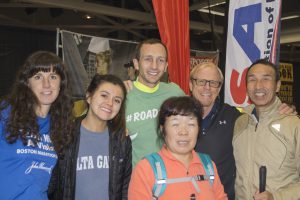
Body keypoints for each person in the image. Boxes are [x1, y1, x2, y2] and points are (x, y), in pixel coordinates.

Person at [189, 62, 297, 200]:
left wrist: (277, 197)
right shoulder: (243, 120)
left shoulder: (234, 117)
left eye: (213, 82)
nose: (207, 87)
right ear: (191, 84)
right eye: (201, 81)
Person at [0, 51, 73, 200]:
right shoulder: (6, 114)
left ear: (61, 84)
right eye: (38, 77)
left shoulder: (60, 126)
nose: (46, 84)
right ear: (27, 83)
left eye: (53, 77)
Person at [50, 74, 132, 200]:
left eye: (117, 100)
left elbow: (124, 189)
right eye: (104, 95)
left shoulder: (122, 140)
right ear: (89, 96)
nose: (109, 103)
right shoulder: (65, 134)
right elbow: (53, 184)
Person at [128, 96, 227, 199]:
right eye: (175, 124)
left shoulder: (208, 165)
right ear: (163, 130)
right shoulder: (146, 169)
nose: (183, 132)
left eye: (191, 124)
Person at [233, 59, 300, 200]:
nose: (258, 85)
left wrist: (276, 197)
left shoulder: (294, 125)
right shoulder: (240, 122)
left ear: (277, 86)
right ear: (246, 87)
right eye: (252, 80)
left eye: (266, 79)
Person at [125, 38, 185, 166]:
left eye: (160, 60)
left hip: (172, 179)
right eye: (148, 59)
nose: (154, 66)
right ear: (136, 64)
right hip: (137, 182)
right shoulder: (122, 94)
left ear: (166, 66)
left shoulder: (175, 92)